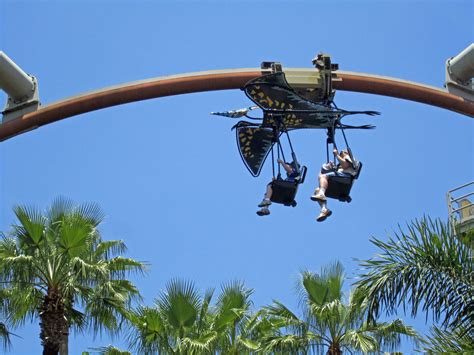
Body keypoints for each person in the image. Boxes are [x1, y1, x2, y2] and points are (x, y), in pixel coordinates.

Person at [311, 148, 356, 222]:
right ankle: (324, 210)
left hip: (346, 177)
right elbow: (324, 171)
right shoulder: (340, 166)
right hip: (339, 180)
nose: (341, 154)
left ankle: (322, 194)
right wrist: (329, 167)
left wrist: (336, 154)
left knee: (323, 176)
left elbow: (345, 165)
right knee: (317, 190)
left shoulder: (350, 158)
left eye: (342, 153)